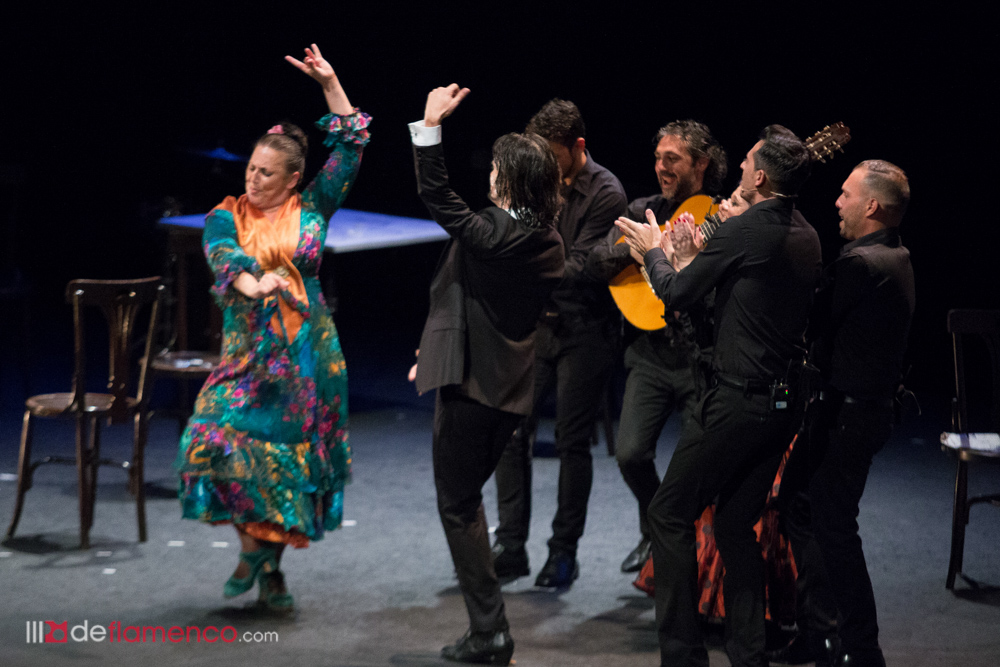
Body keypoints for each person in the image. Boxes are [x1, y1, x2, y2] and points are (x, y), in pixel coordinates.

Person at [616, 125, 821, 667]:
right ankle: (749, 656)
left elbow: (676, 293)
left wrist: (655, 252)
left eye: (748, 162)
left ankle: (683, 656)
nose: (740, 169)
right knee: (733, 524)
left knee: (668, 514)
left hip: (736, 404)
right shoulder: (806, 233)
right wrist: (687, 259)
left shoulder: (746, 229)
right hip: (782, 406)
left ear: (761, 177)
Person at [176, 44, 369, 613]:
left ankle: (270, 571)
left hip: (307, 357)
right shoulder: (226, 214)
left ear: (293, 179)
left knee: (288, 468)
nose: (254, 180)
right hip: (247, 359)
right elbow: (223, 257)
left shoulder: (313, 208)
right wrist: (253, 284)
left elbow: (351, 144)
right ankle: (253, 553)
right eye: (250, 170)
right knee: (209, 440)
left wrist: (330, 84)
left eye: (266, 173)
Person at [409, 84, 565, 664]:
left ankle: (490, 631)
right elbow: (473, 301)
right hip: (509, 388)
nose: (491, 176)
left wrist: (430, 126)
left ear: (512, 181)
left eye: (498, 169)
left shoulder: (498, 234)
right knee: (466, 500)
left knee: (457, 504)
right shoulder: (549, 241)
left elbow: (436, 194)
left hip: (474, 388)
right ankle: (489, 628)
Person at [773, 160, 914, 667]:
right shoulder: (894, 255)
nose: (836, 201)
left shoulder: (862, 266)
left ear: (871, 205)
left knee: (832, 528)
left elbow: (803, 319)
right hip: (857, 413)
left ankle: (859, 648)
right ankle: (821, 633)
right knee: (801, 507)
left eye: (846, 193)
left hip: (848, 418)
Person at [492, 99, 627, 588]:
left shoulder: (607, 193)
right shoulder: (539, 178)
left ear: (578, 146)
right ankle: (511, 546)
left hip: (585, 330)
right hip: (539, 325)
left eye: (552, 154)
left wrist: (524, 265)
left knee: (572, 441)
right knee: (511, 432)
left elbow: (582, 266)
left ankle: (563, 551)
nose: (545, 164)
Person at [587, 120, 728, 573]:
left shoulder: (722, 214)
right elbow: (595, 260)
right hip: (649, 355)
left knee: (697, 468)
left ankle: (686, 553)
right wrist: (647, 247)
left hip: (700, 360)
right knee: (630, 454)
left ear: (701, 164)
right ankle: (655, 530)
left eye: (673, 159)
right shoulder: (643, 209)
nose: (661, 167)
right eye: (657, 158)